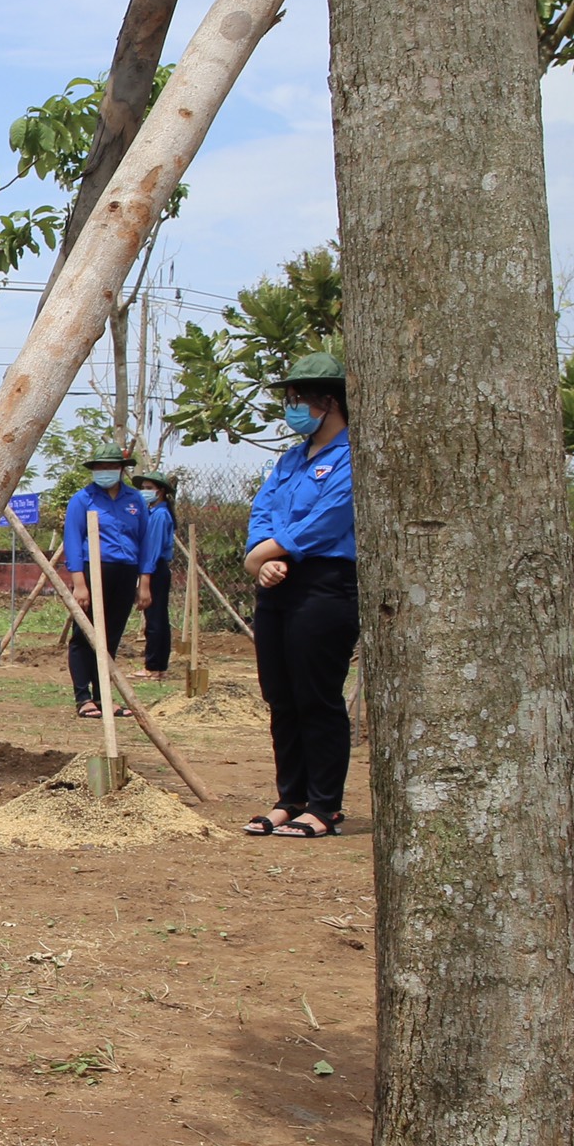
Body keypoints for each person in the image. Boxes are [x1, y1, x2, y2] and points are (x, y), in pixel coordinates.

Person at [244, 353, 357, 840]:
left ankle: (325, 805)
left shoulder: (353, 455)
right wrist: (260, 557)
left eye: (298, 400)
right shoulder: (290, 460)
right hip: (275, 583)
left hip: (325, 585)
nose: (292, 409)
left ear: (328, 401)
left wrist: (270, 552)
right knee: (281, 696)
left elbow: (330, 518)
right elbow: (263, 510)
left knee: (317, 696)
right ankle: (290, 798)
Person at [61, 442, 158, 718]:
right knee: (85, 635)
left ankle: (104, 696)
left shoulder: (135, 500)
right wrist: (79, 583)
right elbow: (73, 539)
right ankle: (83, 697)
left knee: (110, 636)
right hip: (93, 570)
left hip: (126, 571)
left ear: (121, 470)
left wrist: (145, 582)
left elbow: (146, 541)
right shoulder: (83, 499)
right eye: (101, 467)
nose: (106, 472)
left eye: (111, 467)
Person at [132, 469, 180, 680]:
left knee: (155, 618)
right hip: (153, 568)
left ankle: (154, 666)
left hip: (154, 568)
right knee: (156, 616)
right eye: (143, 488)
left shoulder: (160, 515)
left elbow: (152, 550)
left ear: (160, 491)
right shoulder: (153, 512)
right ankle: (157, 665)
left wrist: (145, 578)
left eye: (149, 489)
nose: (145, 492)